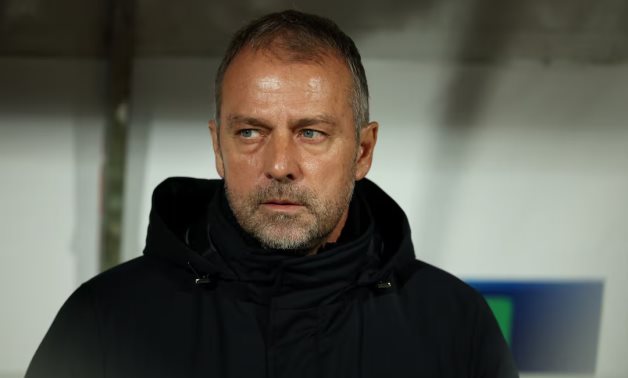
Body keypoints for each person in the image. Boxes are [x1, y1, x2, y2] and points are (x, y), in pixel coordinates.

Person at [26, 10, 518, 378]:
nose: (280, 166)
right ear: (218, 148)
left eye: (311, 133)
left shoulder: (455, 325)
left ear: (363, 151)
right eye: (250, 133)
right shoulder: (106, 319)